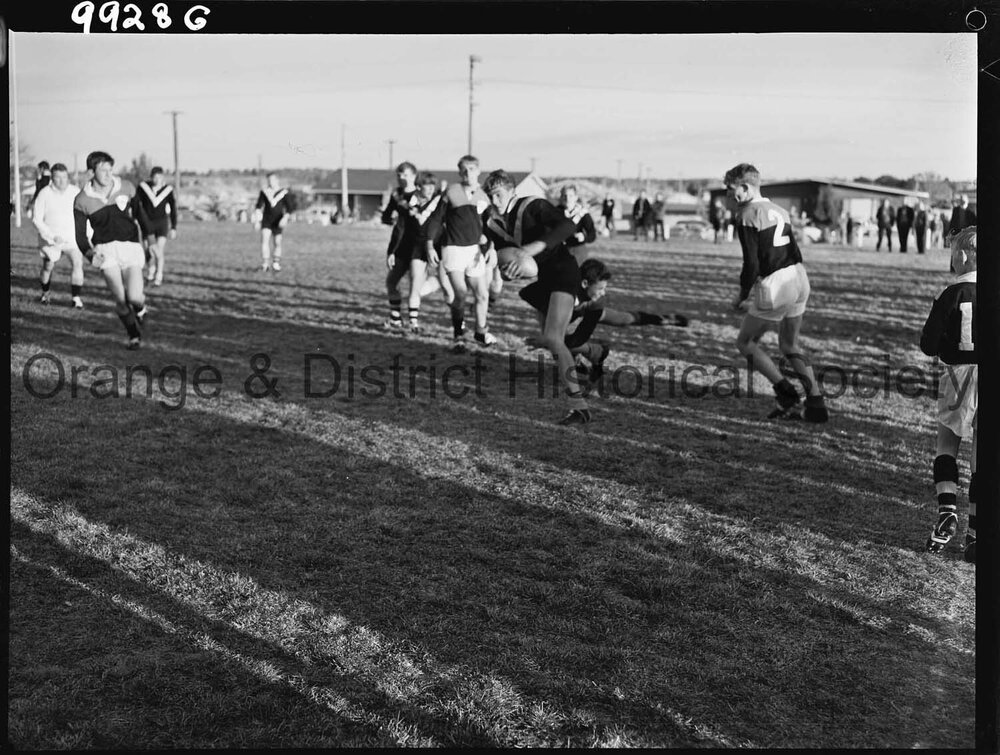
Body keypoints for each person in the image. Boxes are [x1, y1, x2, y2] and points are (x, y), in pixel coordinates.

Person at [723, 162, 828, 422]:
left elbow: (751, 265)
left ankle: (786, 394)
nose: (728, 195)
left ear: (745, 187)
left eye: (731, 189)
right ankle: (816, 404)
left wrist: (741, 295)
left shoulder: (748, 213)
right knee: (789, 344)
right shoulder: (779, 209)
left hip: (777, 282)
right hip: (799, 276)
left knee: (745, 343)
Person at [482, 169, 588, 424]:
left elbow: (567, 226)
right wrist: (506, 270)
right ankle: (593, 354)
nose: (494, 201)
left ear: (511, 191)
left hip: (564, 271)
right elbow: (503, 255)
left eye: (498, 194)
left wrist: (530, 250)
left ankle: (580, 406)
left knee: (552, 338)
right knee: (556, 341)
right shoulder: (491, 220)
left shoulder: (533, 205)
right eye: (490, 196)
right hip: (543, 280)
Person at [519, 258, 689, 387]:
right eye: (600, 288)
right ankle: (582, 362)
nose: (603, 292)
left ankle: (662, 320)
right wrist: (548, 313)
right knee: (556, 341)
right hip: (564, 310)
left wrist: (548, 339)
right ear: (584, 283)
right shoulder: (564, 287)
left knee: (623, 320)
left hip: (587, 311)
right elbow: (526, 292)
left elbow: (577, 339)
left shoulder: (596, 303)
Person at [920, 226, 978, 563]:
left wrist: (945, 344)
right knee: (981, 460)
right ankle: (975, 534)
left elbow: (927, 345)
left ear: (959, 256)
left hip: (958, 376)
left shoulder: (951, 293)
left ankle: (947, 510)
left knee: (947, 446)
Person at [73, 150, 147, 350]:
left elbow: (141, 216)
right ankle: (134, 336)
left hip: (130, 247)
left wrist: (148, 240)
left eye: (110, 169)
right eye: (102, 170)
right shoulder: (82, 200)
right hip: (105, 251)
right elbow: (80, 236)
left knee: (134, 297)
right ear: (91, 172)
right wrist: (90, 255)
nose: (108, 174)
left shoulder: (127, 187)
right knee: (120, 299)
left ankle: (141, 310)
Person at [424, 155, 496, 352]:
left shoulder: (484, 195)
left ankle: (481, 331)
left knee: (482, 294)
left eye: (471, 169)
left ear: (479, 171)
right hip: (453, 250)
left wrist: (491, 247)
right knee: (461, 294)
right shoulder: (451, 192)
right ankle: (459, 335)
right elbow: (436, 219)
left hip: (474, 250)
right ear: (459, 172)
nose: (468, 173)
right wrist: (430, 245)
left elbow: (491, 226)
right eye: (464, 170)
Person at [32, 163, 85, 308]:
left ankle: (76, 299)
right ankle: (45, 293)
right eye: (57, 177)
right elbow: (37, 219)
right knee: (48, 266)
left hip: (71, 238)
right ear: (52, 178)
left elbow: (84, 214)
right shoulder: (44, 193)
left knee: (77, 263)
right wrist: (51, 236)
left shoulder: (75, 192)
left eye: (64, 177)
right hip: (50, 240)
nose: (62, 181)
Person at [380, 162, 421, 329]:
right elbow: (386, 217)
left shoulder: (421, 193)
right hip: (400, 245)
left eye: (404, 174)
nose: (401, 177)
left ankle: (413, 322)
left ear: (413, 175)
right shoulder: (397, 194)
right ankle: (396, 318)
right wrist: (390, 218)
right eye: (398, 174)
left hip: (418, 246)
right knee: (391, 282)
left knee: (415, 284)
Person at [133, 166, 178, 286]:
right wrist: (135, 218)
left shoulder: (167, 189)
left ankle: (159, 275)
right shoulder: (143, 187)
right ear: (151, 177)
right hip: (147, 223)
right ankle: (151, 270)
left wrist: (173, 227)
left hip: (162, 223)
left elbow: (173, 208)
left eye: (159, 177)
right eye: (155, 177)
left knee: (158, 249)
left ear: (163, 177)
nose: (157, 179)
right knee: (148, 249)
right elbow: (136, 204)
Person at [254, 172, 295, 272]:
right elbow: (258, 207)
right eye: (268, 180)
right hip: (267, 220)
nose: (270, 182)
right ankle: (265, 264)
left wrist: (285, 218)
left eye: (272, 180)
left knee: (277, 242)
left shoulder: (283, 193)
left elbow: (289, 208)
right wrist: (257, 220)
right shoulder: (264, 192)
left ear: (277, 180)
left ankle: (276, 263)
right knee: (265, 240)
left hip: (278, 220)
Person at [558, 184, 596, 262]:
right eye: (565, 195)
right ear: (561, 197)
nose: (567, 198)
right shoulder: (554, 212)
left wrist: (584, 237)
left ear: (576, 197)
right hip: (558, 251)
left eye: (571, 196)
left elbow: (592, 234)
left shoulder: (583, 213)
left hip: (577, 251)